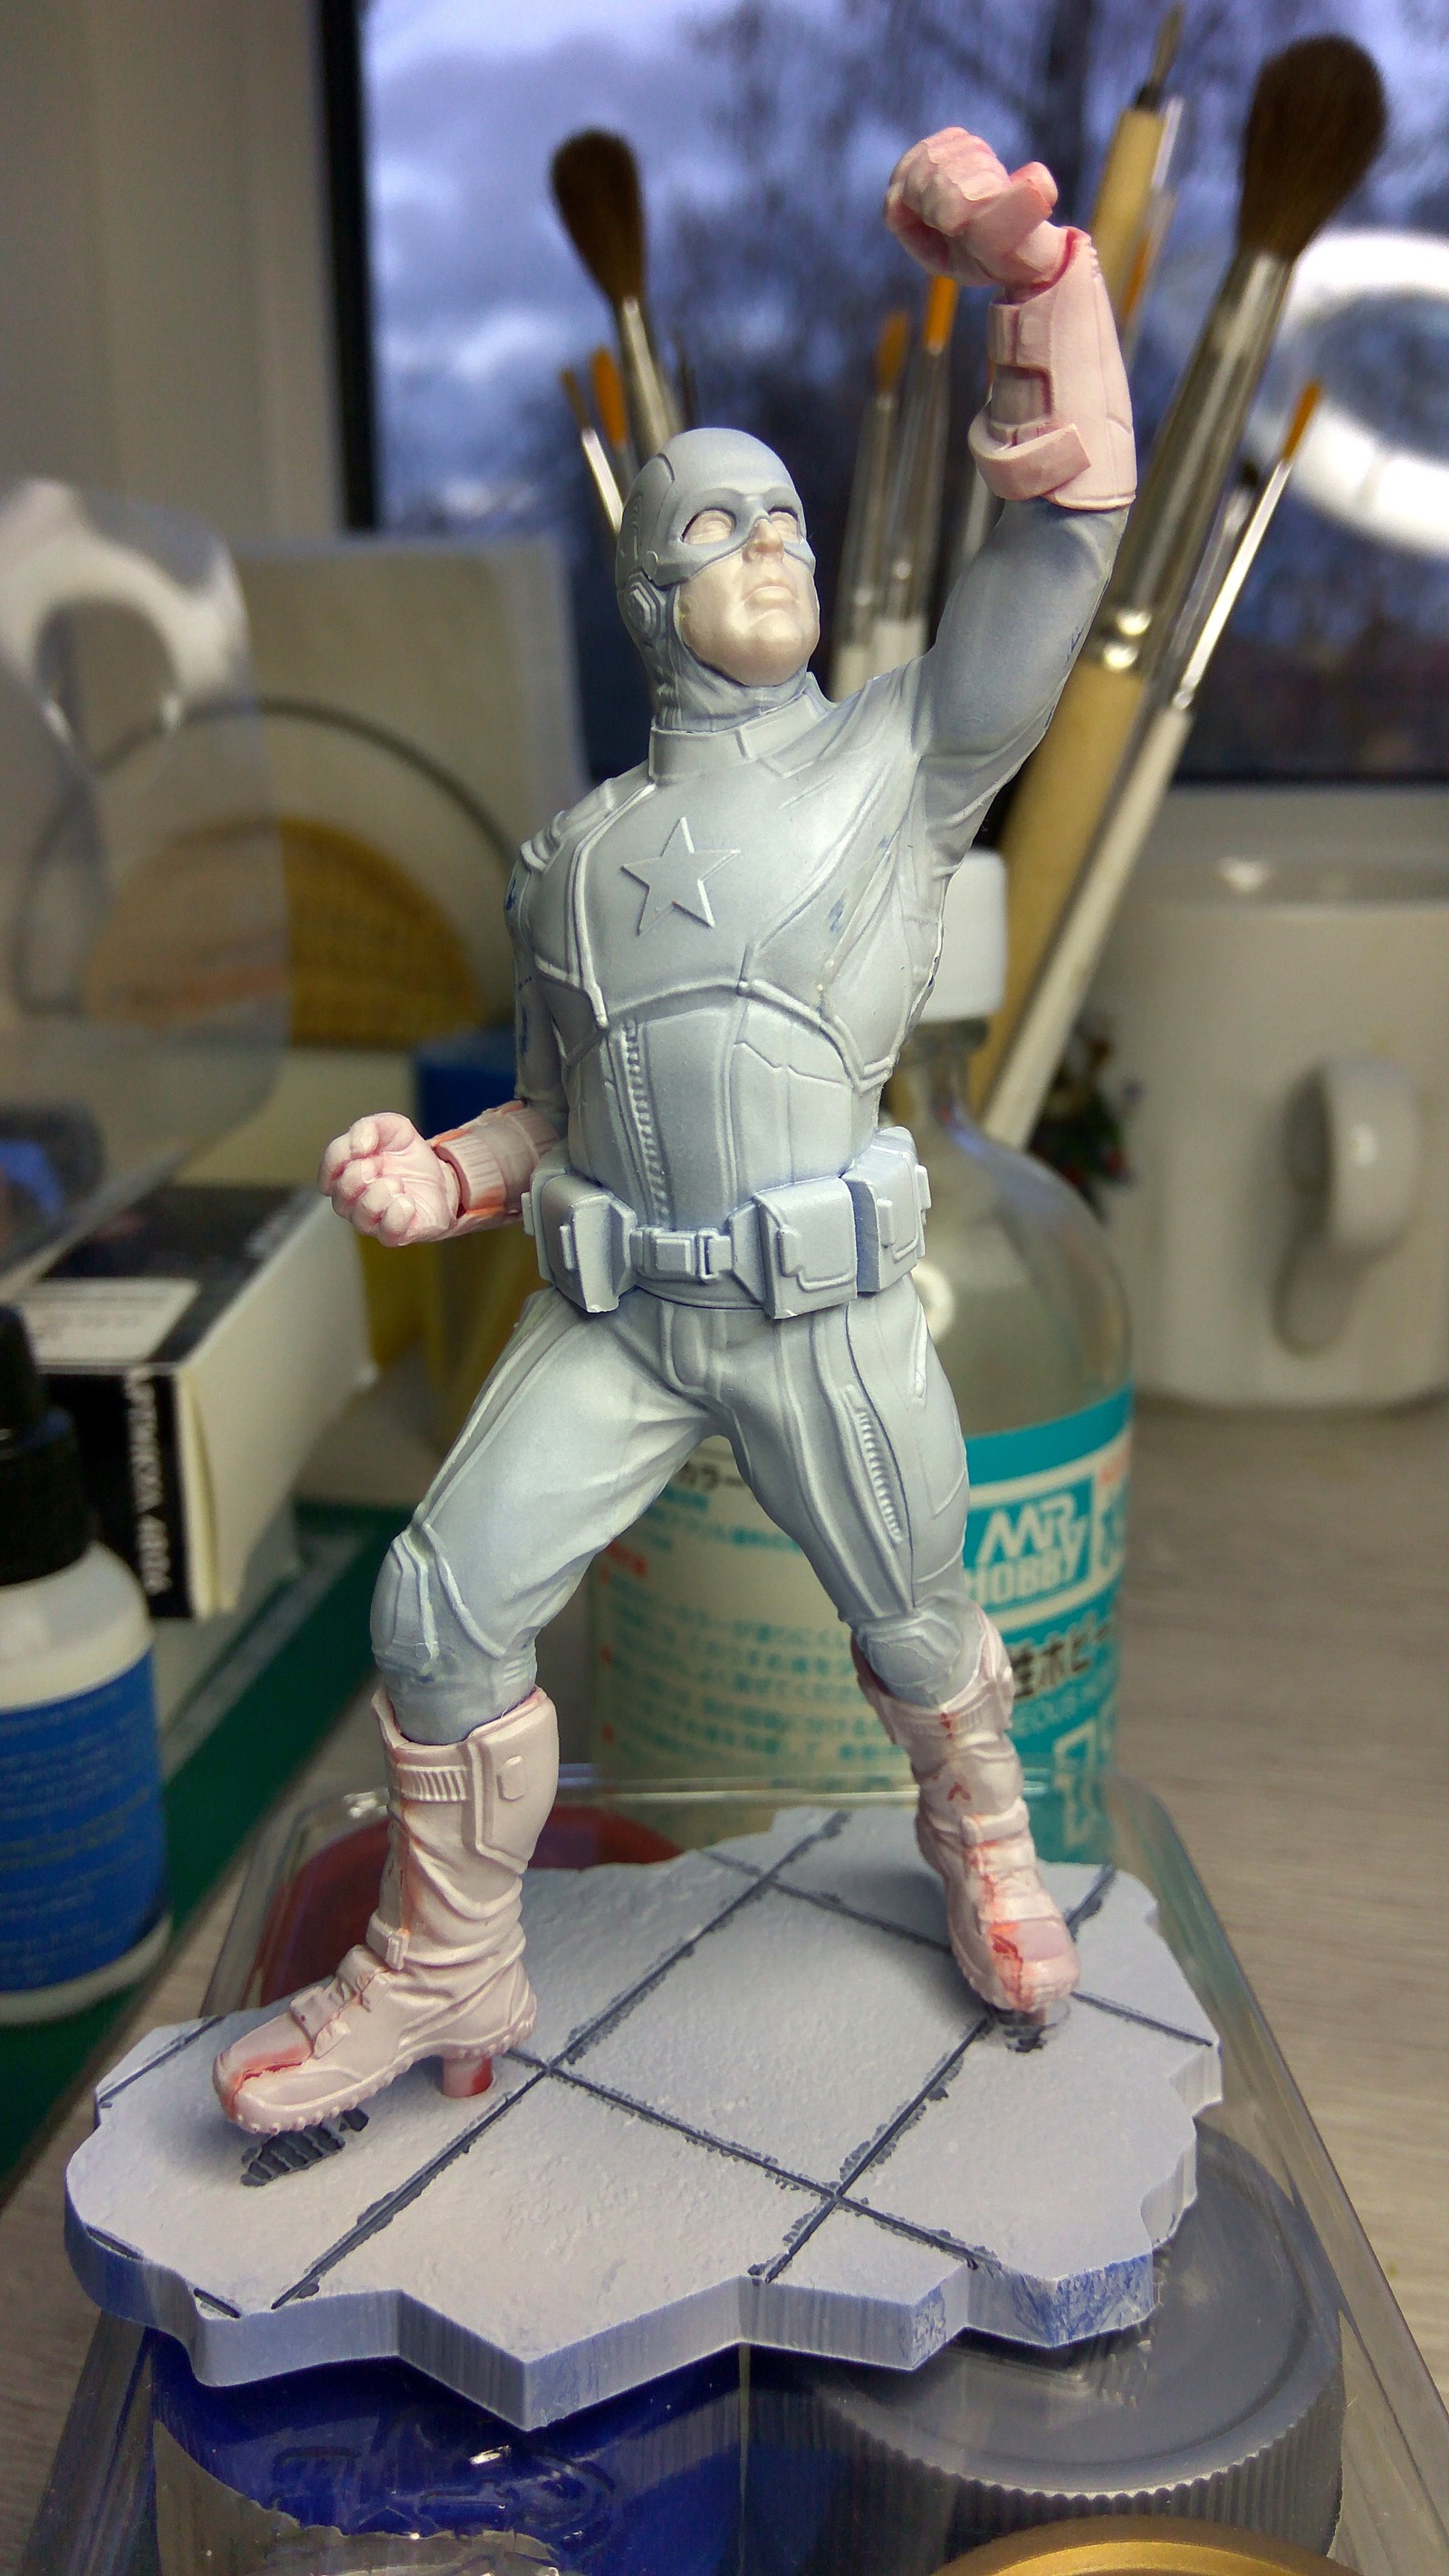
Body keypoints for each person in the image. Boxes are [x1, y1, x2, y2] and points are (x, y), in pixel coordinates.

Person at [216, 126, 1135, 2134]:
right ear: (650, 589)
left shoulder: (897, 760)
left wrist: (1039, 295)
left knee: (917, 1615)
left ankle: (981, 1829)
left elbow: (1059, 553)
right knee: (434, 1606)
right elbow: (554, 1113)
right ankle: (449, 1956)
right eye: (725, 526)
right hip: (622, 1313)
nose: (775, 549)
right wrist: (440, 1178)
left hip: (823, 1313)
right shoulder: (571, 864)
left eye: (790, 520)